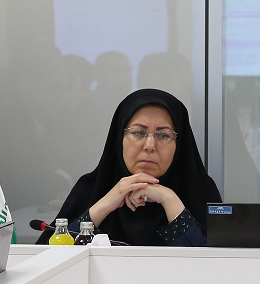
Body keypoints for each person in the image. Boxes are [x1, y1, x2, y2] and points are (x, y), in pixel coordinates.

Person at [38, 89, 222, 246]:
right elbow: (49, 260)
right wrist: (105, 204)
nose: (150, 145)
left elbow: (215, 264)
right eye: (138, 133)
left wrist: (169, 199)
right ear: (119, 139)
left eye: (164, 135)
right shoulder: (92, 189)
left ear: (179, 144)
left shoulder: (199, 190)